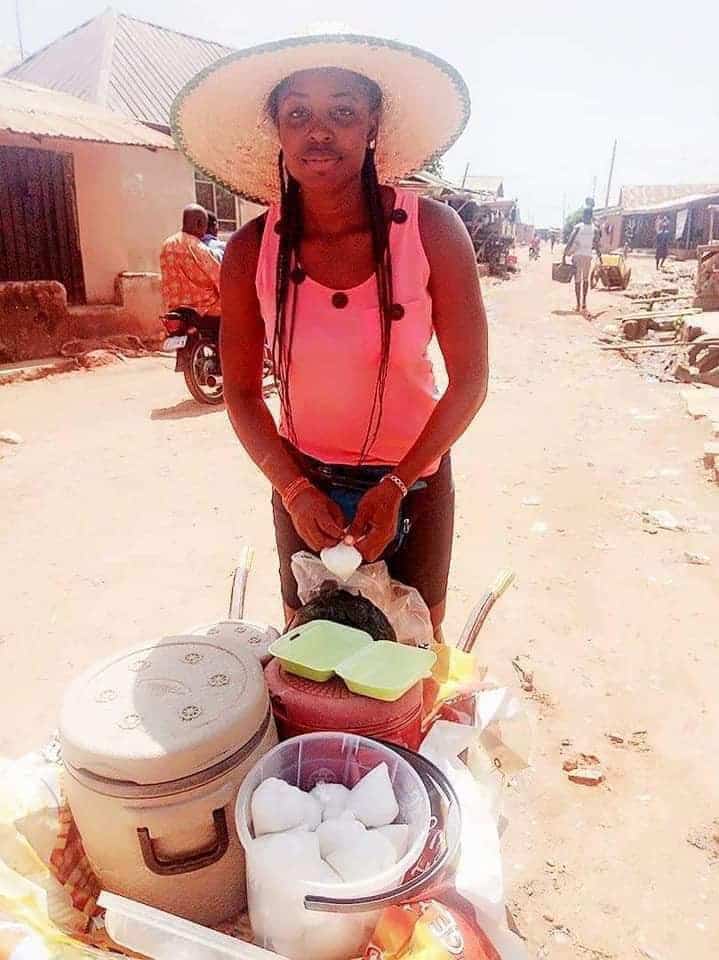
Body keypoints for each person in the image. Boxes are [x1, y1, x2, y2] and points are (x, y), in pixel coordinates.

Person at [172, 35, 488, 638]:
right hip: (303, 485)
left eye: (342, 112)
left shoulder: (433, 232)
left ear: (372, 126)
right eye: (299, 115)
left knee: (412, 653)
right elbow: (239, 391)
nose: (320, 132)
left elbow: (470, 380)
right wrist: (291, 489)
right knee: (309, 650)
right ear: (280, 133)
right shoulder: (249, 250)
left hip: (415, 484)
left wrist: (398, 483)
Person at [159, 204, 221, 329]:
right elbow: (219, 277)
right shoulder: (197, 247)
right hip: (203, 308)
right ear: (199, 223)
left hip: (175, 307)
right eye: (204, 225)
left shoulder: (167, 244)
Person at [563, 207, 598, 313]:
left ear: (583, 216)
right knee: (585, 280)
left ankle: (578, 305)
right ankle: (584, 304)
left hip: (578, 256)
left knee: (578, 281)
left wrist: (564, 254)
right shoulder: (594, 229)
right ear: (591, 216)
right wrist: (600, 256)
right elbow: (596, 243)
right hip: (588, 256)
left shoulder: (578, 227)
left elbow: (570, 240)